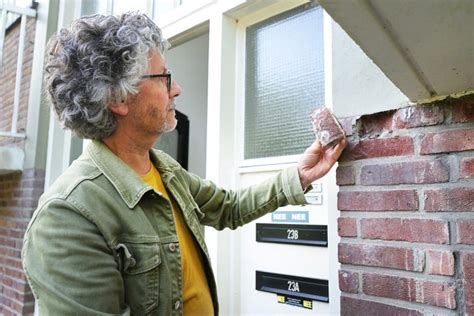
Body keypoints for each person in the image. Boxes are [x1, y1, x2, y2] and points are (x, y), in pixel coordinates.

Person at [22, 11, 347, 316]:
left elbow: (228, 207)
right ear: (118, 99)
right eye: (164, 77)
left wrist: (300, 176)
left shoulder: (164, 168)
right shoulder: (67, 217)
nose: (176, 89)